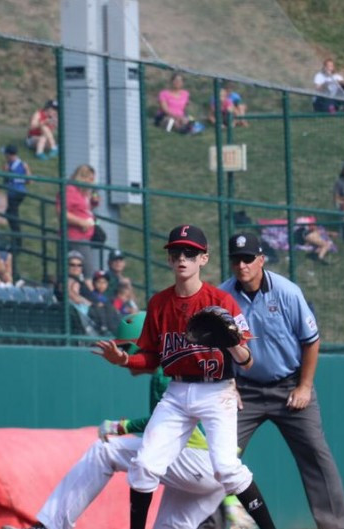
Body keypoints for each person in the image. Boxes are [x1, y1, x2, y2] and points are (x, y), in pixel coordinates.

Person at [92, 225, 279, 529]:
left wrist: (232, 343)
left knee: (227, 469)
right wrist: (125, 358)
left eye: (190, 252)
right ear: (169, 259)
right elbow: (152, 356)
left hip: (217, 392)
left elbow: (247, 361)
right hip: (177, 392)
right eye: (176, 252)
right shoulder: (159, 303)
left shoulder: (221, 301)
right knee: (144, 465)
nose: (182, 257)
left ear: (203, 259)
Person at [10, 314, 234, 529]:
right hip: (216, 471)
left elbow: (162, 424)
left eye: (126, 348)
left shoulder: (165, 372)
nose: (122, 356)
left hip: (197, 461)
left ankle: (50, 526)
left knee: (104, 451)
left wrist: (122, 426)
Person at [219, 232, 344, 529]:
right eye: (236, 259)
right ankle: (214, 523)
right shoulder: (223, 297)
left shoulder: (287, 292)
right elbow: (216, 347)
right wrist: (230, 384)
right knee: (217, 456)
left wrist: (304, 387)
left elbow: (311, 341)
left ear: (261, 260)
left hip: (289, 386)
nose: (242, 266)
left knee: (317, 456)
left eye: (248, 259)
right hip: (244, 392)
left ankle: (336, 526)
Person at [55, 164, 100, 274]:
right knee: (88, 270)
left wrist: (94, 201)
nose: (92, 182)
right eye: (90, 179)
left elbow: (83, 209)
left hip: (85, 235)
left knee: (83, 270)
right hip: (75, 236)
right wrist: (81, 222)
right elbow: (63, 212)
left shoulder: (83, 192)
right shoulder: (70, 190)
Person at [1, 143, 30, 251]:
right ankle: (16, 240)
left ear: (9, 155)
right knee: (11, 214)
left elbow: (6, 181)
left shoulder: (11, 165)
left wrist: (5, 171)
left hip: (14, 193)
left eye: (6, 154)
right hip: (20, 192)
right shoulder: (22, 164)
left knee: (12, 216)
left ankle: (17, 243)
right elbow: (28, 180)